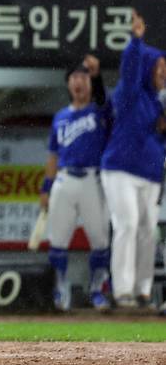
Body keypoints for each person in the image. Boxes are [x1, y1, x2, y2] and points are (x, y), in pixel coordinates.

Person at [100, 10, 166, 309]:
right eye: (160, 67)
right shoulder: (129, 93)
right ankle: (123, 289)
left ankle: (143, 290)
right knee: (127, 224)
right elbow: (130, 70)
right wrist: (136, 42)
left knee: (148, 229)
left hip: (150, 175)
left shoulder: (157, 103)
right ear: (148, 66)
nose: (163, 72)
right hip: (120, 170)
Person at [39, 55, 111, 312]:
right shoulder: (60, 117)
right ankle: (60, 289)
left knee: (100, 240)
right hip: (65, 178)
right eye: (74, 78)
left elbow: (103, 98)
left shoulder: (100, 109)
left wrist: (97, 75)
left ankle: (98, 290)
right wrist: (46, 188)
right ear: (68, 84)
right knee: (57, 240)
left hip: (93, 179)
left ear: (90, 83)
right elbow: (52, 155)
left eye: (83, 77)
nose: (79, 82)